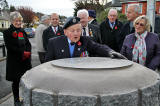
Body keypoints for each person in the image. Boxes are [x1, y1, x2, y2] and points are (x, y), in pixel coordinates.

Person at [45, 16, 126, 62]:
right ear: (65, 32)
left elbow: (98, 47)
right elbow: (48, 64)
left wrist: (110, 52)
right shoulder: (54, 42)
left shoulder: (85, 40)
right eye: (72, 31)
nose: (76, 33)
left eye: (78, 30)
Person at [3, 11, 32, 106]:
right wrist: (22, 53)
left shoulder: (22, 31)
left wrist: (28, 52)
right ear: (12, 21)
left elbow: (28, 43)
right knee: (16, 82)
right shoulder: (7, 32)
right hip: (15, 62)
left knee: (26, 80)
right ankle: (16, 100)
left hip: (25, 61)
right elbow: (10, 47)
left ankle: (25, 96)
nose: (18, 23)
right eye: (16, 21)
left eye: (20, 21)